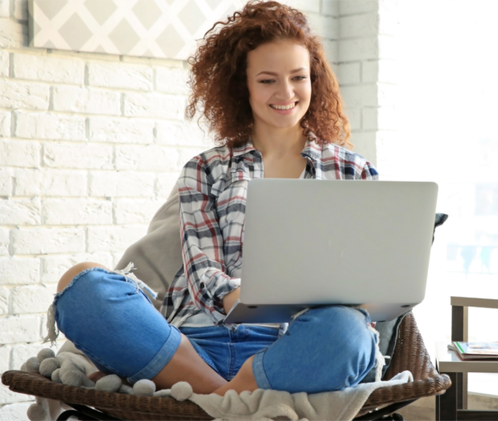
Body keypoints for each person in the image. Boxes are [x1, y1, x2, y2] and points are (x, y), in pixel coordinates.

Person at [52, 1, 380, 396]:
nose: (286, 92)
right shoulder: (205, 169)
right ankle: (233, 399)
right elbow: (203, 270)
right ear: (242, 85)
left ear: (315, 80)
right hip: (193, 345)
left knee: (349, 332)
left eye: (298, 77)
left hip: (294, 346)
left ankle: (214, 400)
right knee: (81, 284)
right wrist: (242, 298)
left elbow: (364, 282)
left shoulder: (352, 171)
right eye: (267, 80)